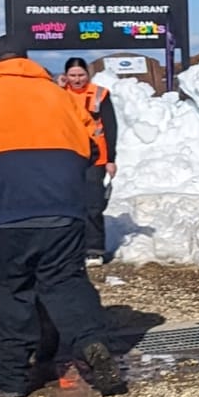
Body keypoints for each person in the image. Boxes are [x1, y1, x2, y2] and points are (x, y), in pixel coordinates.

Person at [0, 37, 125, 397]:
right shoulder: (60, 95)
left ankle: (10, 378)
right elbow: (89, 148)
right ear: (27, 61)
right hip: (64, 209)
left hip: (5, 211)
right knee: (66, 282)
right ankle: (92, 344)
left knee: (12, 292)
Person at [60, 57, 118, 261]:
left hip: (96, 157)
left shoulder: (99, 94)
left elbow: (110, 127)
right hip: (67, 155)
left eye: (81, 75)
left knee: (93, 204)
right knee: (67, 204)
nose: (76, 80)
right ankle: (71, 248)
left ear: (88, 74)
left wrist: (111, 158)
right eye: (72, 75)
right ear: (65, 75)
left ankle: (94, 249)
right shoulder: (58, 94)